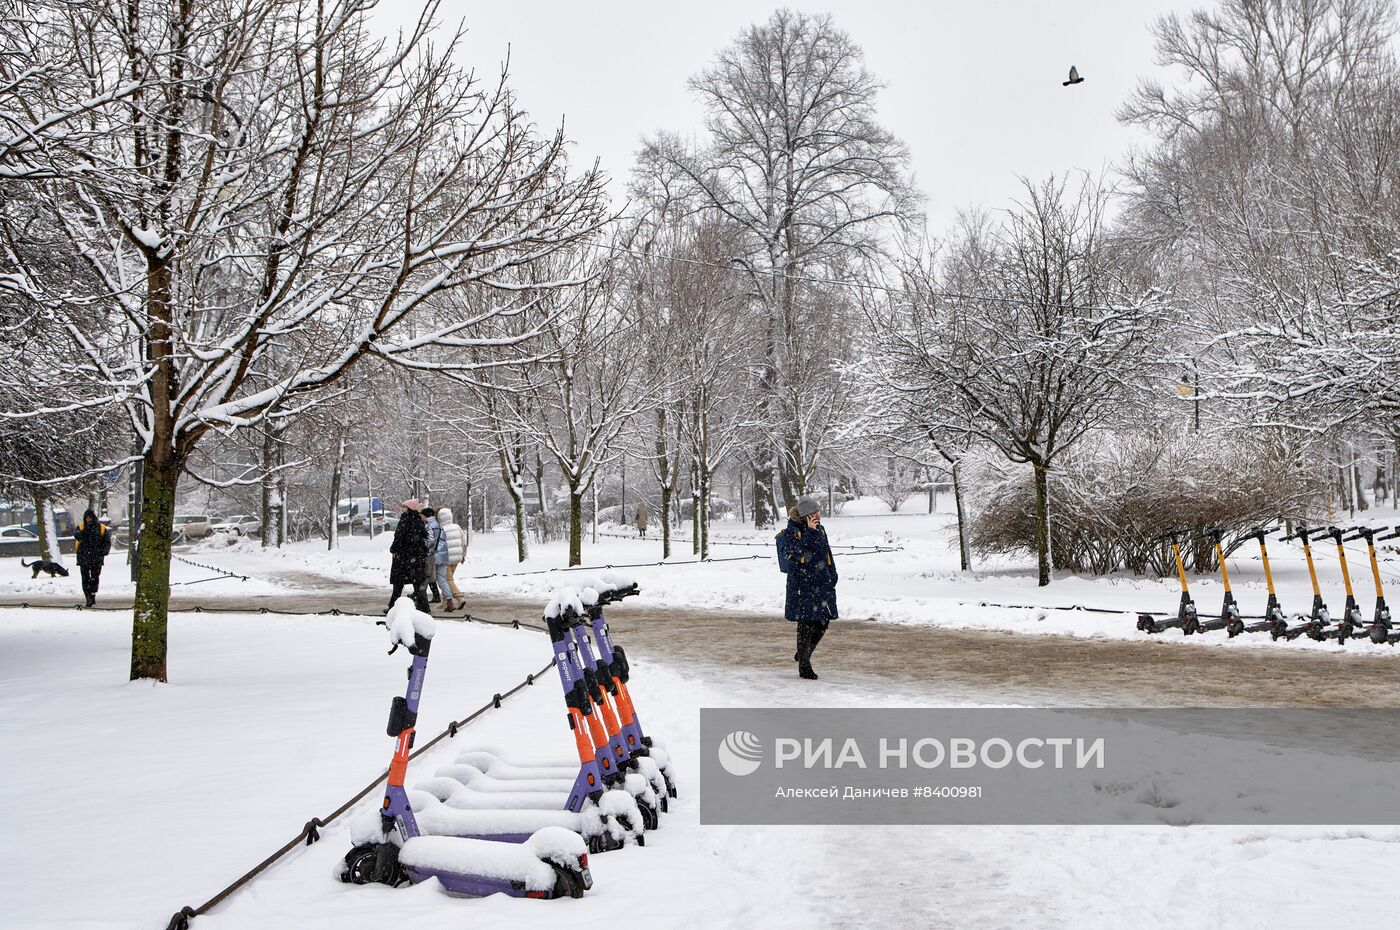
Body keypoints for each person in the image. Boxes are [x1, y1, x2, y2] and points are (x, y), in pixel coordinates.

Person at [779, 495, 838, 680]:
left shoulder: (820, 530)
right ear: (806, 515)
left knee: (822, 622)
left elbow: (826, 553)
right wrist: (810, 533)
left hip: (821, 583)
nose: (818, 515)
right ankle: (804, 666)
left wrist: (833, 573)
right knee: (806, 625)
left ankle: (803, 653)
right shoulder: (792, 531)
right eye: (815, 512)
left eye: (818, 512)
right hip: (803, 585)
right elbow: (795, 554)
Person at [387, 498, 430, 613]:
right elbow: (423, 537)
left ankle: (392, 607)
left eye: (404, 507)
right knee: (418, 583)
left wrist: (393, 549)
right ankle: (424, 607)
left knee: (398, 583)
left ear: (409, 508)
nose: (402, 509)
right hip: (417, 558)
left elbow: (399, 537)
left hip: (404, 558)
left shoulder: (405, 520)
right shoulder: (419, 521)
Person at [72, 509, 111, 607]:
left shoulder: (101, 528)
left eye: (90, 518)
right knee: (85, 578)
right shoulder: (80, 527)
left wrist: (103, 552)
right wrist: (86, 530)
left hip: (96, 557)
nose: (88, 520)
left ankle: (93, 594)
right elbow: (78, 536)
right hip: (84, 557)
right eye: (87, 518)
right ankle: (88, 596)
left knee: (95, 577)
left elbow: (107, 542)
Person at [438, 507, 467, 610]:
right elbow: (463, 542)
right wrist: (463, 555)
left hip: (446, 559)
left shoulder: (442, 529)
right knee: (448, 580)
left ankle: (459, 598)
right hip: (457, 558)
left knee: (447, 580)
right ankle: (444, 602)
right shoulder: (457, 527)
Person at [421, 507, 443, 605]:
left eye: (422, 515)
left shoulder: (429, 525)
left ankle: (422, 595)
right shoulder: (437, 524)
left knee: (427, 575)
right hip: (434, 552)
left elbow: (430, 540)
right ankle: (435, 595)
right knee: (431, 575)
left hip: (429, 553)